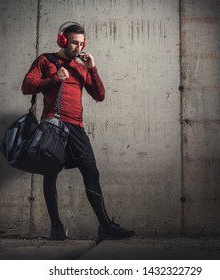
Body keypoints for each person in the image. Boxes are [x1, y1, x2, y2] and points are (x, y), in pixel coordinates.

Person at [21, 22, 135, 241]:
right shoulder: (46, 60)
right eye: (74, 42)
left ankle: (105, 226)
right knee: (50, 174)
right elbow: (27, 86)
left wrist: (92, 67)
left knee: (91, 172)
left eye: (82, 43)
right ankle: (56, 227)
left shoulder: (81, 66)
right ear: (62, 40)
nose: (78, 48)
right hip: (53, 125)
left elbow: (99, 95)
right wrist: (56, 78)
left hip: (77, 127)